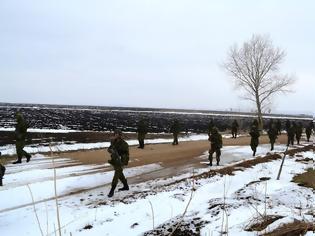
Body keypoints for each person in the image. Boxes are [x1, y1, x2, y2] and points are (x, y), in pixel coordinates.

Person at [107, 129, 129, 198]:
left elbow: (126, 153)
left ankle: (112, 190)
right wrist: (111, 151)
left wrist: (121, 157)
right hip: (115, 160)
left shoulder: (124, 143)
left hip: (121, 161)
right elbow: (109, 149)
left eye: (117, 134)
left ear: (120, 135)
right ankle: (126, 186)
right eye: (115, 134)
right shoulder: (113, 142)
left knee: (116, 174)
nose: (116, 135)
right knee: (120, 174)